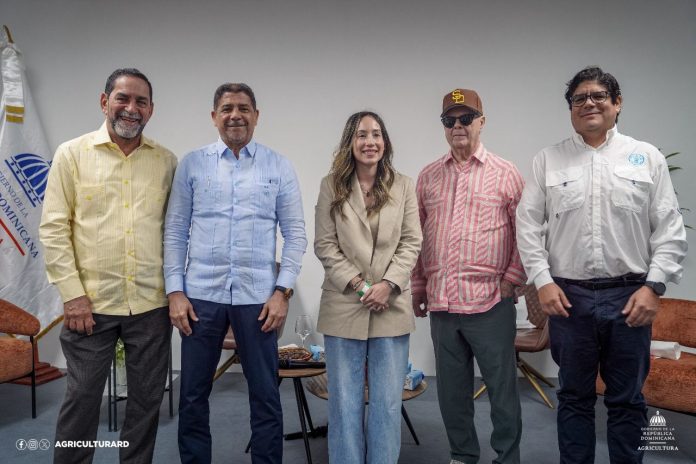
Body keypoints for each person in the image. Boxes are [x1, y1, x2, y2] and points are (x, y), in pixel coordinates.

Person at [516, 66, 687, 463]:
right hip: (569, 299)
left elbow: (670, 229)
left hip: (631, 297)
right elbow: (527, 225)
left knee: (627, 399)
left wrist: (654, 287)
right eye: (579, 98)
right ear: (570, 109)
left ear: (617, 103)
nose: (588, 103)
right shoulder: (549, 160)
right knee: (574, 396)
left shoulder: (646, 157)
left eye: (598, 96)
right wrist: (542, 280)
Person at [164, 82, 307, 464]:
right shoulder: (193, 164)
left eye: (244, 108)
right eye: (227, 108)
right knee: (192, 394)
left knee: (265, 394)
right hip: (200, 298)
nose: (235, 115)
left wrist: (282, 292)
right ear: (214, 117)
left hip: (258, 299)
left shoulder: (278, 166)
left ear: (256, 116)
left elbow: (295, 234)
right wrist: (175, 292)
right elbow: (175, 231)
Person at [39, 68, 177, 463]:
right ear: (105, 102)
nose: (131, 108)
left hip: (151, 306)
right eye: (123, 98)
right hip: (90, 307)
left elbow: (173, 232)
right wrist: (73, 296)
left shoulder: (166, 161)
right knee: (81, 401)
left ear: (151, 110)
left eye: (141, 102)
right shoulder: (72, 154)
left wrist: (175, 292)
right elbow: (53, 229)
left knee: (146, 404)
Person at [411, 89, 525, 464]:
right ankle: (462, 455)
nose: (457, 126)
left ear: (482, 121)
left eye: (466, 118)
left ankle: (507, 458)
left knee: (502, 390)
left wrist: (511, 279)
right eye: (450, 120)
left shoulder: (507, 173)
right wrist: (418, 285)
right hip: (443, 303)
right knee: (451, 392)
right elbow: (416, 236)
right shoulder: (428, 176)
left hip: (491, 302)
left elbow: (525, 235)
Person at [314, 110, 422, 464]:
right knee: (344, 404)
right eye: (362, 134)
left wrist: (388, 285)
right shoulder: (331, 185)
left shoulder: (403, 185)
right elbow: (325, 245)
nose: (370, 141)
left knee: (387, 405)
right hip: (345, 304)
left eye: (376, 134)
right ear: (350, 142)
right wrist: (362, 287)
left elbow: (411, 242)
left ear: (385, 142)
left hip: (391, 305)